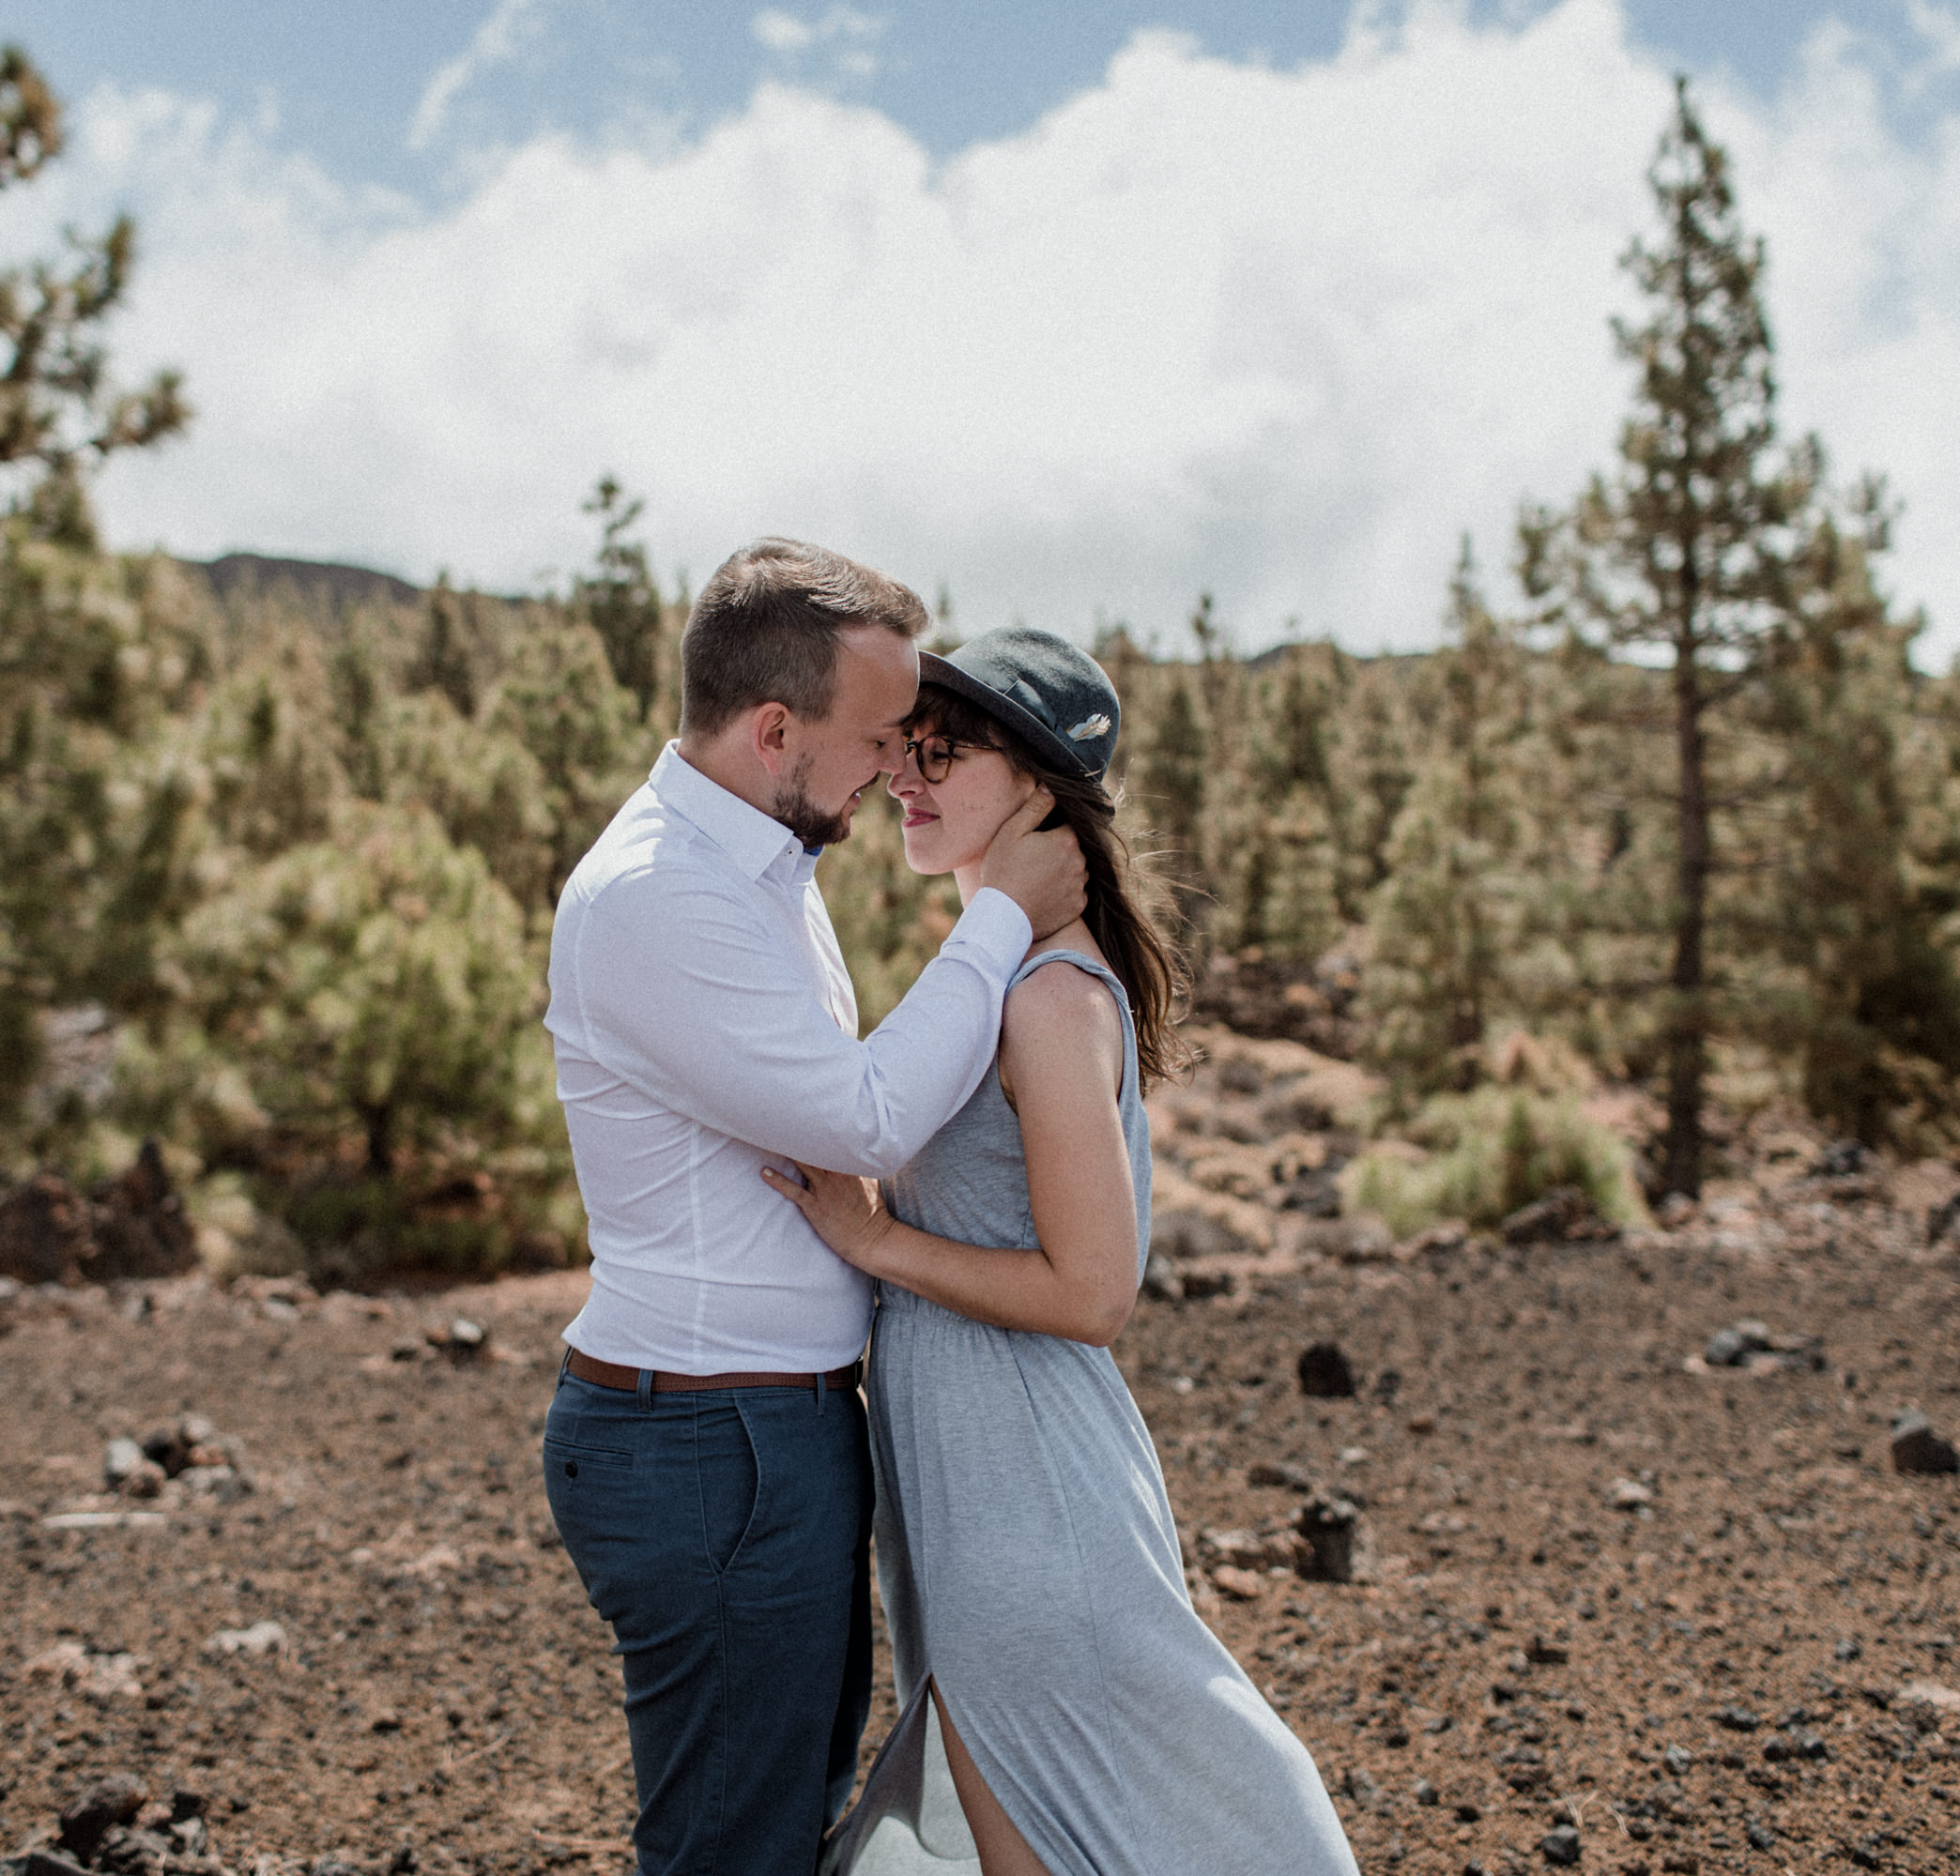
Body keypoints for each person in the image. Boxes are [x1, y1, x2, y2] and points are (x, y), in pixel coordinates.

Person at [765, 626, 1363, 1876]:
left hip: (1023, 1497)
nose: (908, 776)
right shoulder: (1009, 973)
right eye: (906, 748)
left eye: (947, 750)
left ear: (1041, 783)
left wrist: (876, 1243)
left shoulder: (1046, 998)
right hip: (980, 1482)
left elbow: (1094, 1292)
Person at [541, 541, 1090, 1876]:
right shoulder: (661, 893)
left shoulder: (764, 869)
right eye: (880, 737)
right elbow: (860, 1120)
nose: (897, 769)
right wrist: (1005, 917)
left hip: (753, 1425)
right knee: (735, 1847)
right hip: (706, 1435)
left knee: (777, 1826)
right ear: (774, 728)